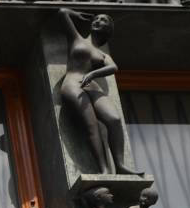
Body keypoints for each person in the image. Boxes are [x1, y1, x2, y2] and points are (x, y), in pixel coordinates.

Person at [58, 9, 138, 176]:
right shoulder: (77, 38)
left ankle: (120, 165)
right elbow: (62, 12)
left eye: (103, 20)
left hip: (91, 84)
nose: (98, 21)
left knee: (114, 119)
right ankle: (104, 169)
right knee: (91, 124)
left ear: (107, 30)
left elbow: (113, 67)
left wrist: (93, 74)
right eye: (97, 18)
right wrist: (76, 14)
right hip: (73, 83)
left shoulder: (102, 54)